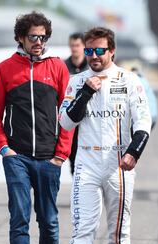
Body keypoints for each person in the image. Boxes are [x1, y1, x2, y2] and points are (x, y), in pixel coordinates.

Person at [59, 27, 151, 244]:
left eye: (100, 50)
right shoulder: (77, 81)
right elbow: (64, 122)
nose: (94, 56)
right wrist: (86, 93)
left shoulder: (130, 79)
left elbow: (144, 122)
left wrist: (134, 152)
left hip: (118, 163)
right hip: (86, 161)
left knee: (117, 229)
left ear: (112, 51)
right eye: (89, 51)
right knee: (82, 226)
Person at [0, 11, 71, 244]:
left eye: (43, 36)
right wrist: (4, 149)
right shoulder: (5, 68)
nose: (39, 41)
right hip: (17, 158)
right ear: (20, 38)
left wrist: (61, 154)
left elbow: (68, 115)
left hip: (50, 159)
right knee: (19, 219)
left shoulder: (58, 68)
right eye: (33, 36)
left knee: (48, 220)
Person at [64, 32, 90, 175]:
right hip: (70, 119)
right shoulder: (63, 67)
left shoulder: (91, 68)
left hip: (87, 119)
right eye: (72, 45)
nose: (74, 49)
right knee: (73, 158)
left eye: (77, 45)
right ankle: (77, 187)